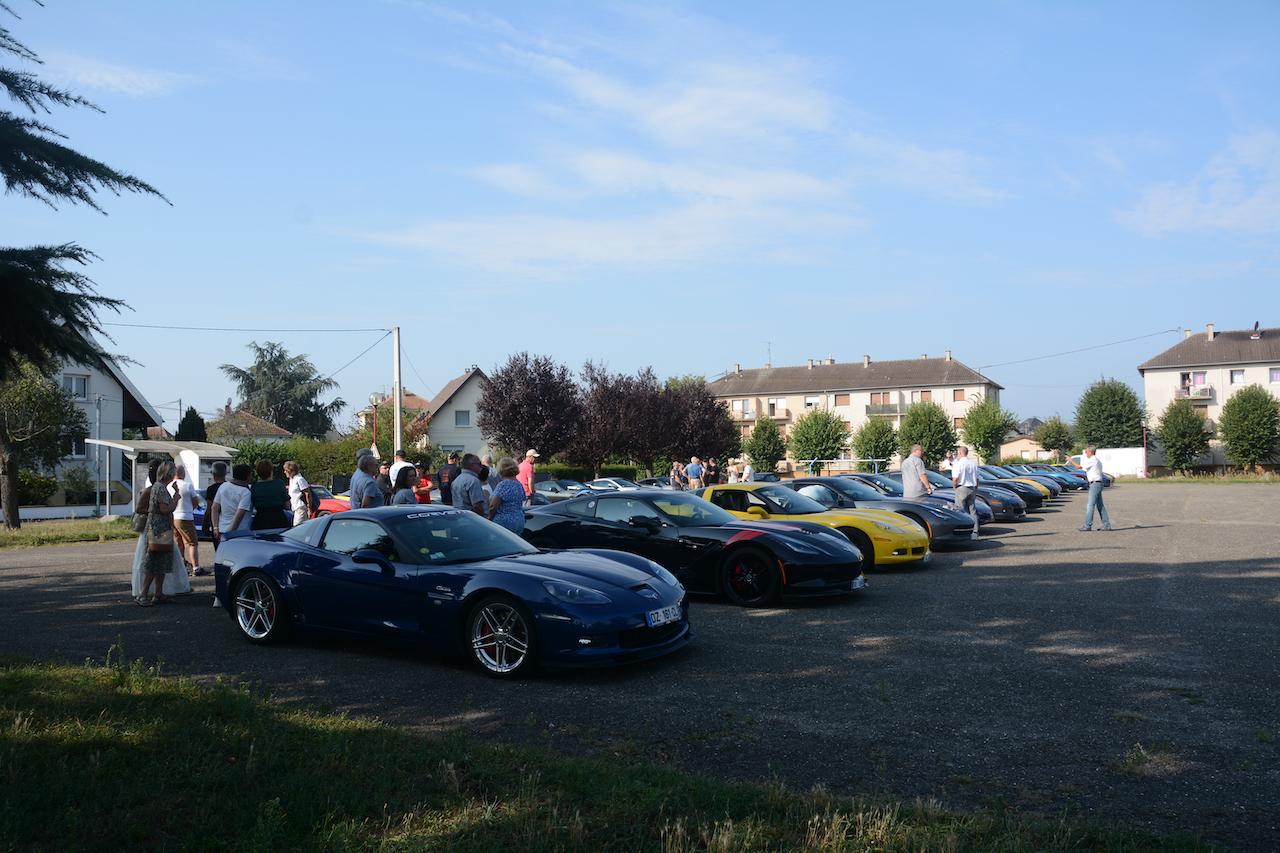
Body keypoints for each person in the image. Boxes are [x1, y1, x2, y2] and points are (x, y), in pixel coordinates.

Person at [137, 461, 180, 606]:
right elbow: (165, 509)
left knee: (161, 561)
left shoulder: (159, 487)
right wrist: (176, 498)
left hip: (160, 528)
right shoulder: (160, 488)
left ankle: (158, 594)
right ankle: (143, 595)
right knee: (154, 562)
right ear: (169, 473)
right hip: (158, 529)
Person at [211, 463, 254, 543]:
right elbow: (239, 516)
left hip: (221, 529)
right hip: (238, 533)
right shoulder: (245, 492)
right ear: (247, 476)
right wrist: (230, 534)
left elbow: (214, 508)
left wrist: (215, 527)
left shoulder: (224, 486)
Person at [171, 464, 201, 575]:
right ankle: (196, 567)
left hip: (173, 516)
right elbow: (195, 501)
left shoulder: (169, 485)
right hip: (185, 517)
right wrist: (191, 508)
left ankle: (181, 565)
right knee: (192, 543)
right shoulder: (187, 485)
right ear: (182, 473)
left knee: (179, 542)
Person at [1074, 446, 1113, 531]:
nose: (1086, 453)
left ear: (1090, 452)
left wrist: (1070, 460)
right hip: (1098, 483)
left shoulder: (1092, 460)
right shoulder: (1097, 460)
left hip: (1095, 484)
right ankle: (1106, 525)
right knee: (1100, 505)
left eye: (1087, 452)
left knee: (1090, 505)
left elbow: (1079, 467)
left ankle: (1087, 525)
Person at [489, 457, 527, 534]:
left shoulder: (503, 485)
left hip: (504, 522)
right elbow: (522, 500)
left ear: (501, 469)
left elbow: (493, 506)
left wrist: (489, 519)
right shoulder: (519, 484)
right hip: (519, 520)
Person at [949, 446, 980, 540]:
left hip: (961, 487)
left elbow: (955, 478)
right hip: (972, 487)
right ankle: (975, 532)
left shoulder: (958, 464)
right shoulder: (973, 463)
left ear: (960, 453)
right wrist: (975, 488)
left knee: (960, 511)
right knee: (972, 510)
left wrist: (954, 488)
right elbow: (977, 478)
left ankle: (964, 532)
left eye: (957, 453)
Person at [249, 459, 290, 530]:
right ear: (271, 471)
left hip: (260, 521)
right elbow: (287, 505)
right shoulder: (279, 484)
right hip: (279, 520)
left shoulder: (254, 486)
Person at [202, 461, 227, 553]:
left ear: (213, 474)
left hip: (215, 523)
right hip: (229, 520)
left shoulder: (211, 489)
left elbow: (209, 508)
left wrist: (205, 523)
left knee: (218, 548)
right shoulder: (229, 487)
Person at [283, 460, 311, 526]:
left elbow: (307, 493)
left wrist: (309, 508)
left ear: (290, 470)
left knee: (297, 527)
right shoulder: (292, 479)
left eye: (286, 470)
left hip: (300, 508)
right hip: (295, 508)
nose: (284, 472)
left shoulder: (299, 479)